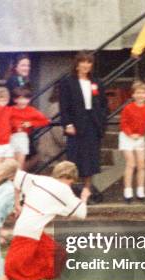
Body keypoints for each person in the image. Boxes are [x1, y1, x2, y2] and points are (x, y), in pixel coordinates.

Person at [0, 161, 90, 280]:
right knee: (11, 272)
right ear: (68, 176)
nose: (72, 183)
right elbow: (81, 214)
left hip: (32, 230)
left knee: (56, 253)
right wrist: (84, 198)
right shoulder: (64, 191)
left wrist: (18, 203)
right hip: (28, 232)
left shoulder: (39, 179)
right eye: (73, 180)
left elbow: (15, 176)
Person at [59, 51, 108, 201]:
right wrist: (67, 123)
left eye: (89, 62)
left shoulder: (96, 82)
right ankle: (68, 192)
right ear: (77, 64)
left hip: (92, 124)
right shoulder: (68, 82)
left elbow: (103, 104)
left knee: (90, 158)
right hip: (76, 124)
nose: (86, 65)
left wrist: (100, 120)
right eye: (83, 62)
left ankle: (87, 190)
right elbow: (64, 105)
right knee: (74, 158)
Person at [119, 81, 145, 203]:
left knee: (142, 165)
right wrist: (130, 134)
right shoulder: (128, 108)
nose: (140, 95)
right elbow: (123, 123)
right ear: (133, 95)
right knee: (131, 163)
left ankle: (140, 192)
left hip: (139, 138)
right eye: (138, 93)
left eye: (143, 93)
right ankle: (127, 192)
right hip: (127, 137)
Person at [9, 87, 50, 169]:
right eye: (20, 98)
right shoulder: (10, 110)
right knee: (11, 164)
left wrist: (31, 123)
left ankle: (18, 179)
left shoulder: (32, 110)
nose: (22, 101)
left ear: (29, 99)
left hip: (23, 137)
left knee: (20, 163)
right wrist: (13, 125)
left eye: (25, 98)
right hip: (10, 137)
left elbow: (46, 121)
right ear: (15, 99)